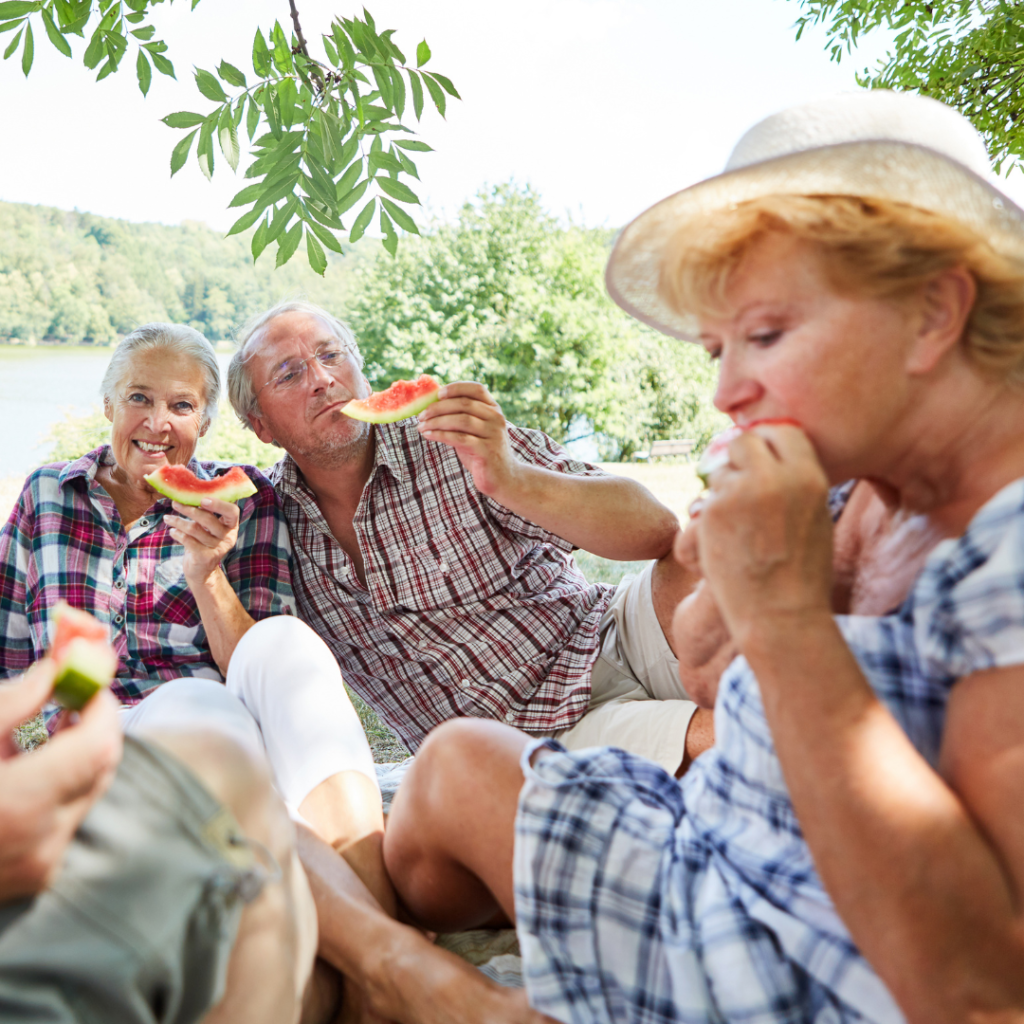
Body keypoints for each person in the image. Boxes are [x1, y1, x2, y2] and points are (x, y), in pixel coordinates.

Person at [380, 90, 1024, 1024]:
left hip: (763, 968)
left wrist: (784, 622)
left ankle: (408, 978)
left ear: (934, 311)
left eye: (764, 334)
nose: (724, 392)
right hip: (727, 852)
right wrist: (735, 644)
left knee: (295, 864)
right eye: (717, 348)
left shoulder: (1007, 547)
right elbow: (763, 701)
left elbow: (981, 991)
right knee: (446, 764)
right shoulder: (855, 489)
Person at [0, 322, 390, 918]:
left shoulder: (247, 502)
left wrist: (207, 570)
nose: (159, 424)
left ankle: (373, 903)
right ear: (108, 403)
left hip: (225, 726)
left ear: (204, 422)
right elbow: (7, 662)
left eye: (182, 405)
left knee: (279, 644)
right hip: (101, 747)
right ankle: (384, 937)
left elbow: (259, 671)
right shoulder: (48, 496)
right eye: (139, 398)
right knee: (195, 711)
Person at [226, 301, 713, 777]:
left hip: (605, 635)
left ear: (360, 366)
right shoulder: (265, 525)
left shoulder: (451, 437)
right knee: (725, 737)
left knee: (705, 560)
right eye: (289, 374)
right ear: (261, 426)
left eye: (331, 355)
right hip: (520, 742)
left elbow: (657, 531)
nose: (322, 379)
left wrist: (511, 478)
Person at [0, 658, 317, 1023]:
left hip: (184, 712)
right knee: (226, 771)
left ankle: (373, 960)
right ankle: (374, 962)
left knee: (218, 716)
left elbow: (239, 653)